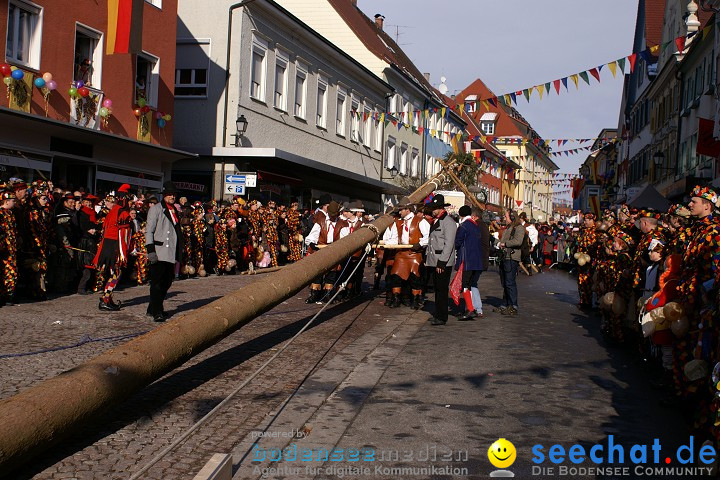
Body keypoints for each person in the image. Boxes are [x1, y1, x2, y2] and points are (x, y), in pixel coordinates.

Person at [145, 182, 181, 322]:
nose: (172, 196)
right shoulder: (156, 209)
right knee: (157, 283)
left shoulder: (174, 210)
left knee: (167, 282)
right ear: (164, 195)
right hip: (159, 251)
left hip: (170, 251)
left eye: (174, 194)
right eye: (170, 194)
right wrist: (150, 250)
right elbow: (149, 231)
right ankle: (157, 311)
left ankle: (152, 307)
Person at [93, 185, 132, 311]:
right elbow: (124, 234)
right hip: (115, 244)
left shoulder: (114, 210)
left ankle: (107, 299)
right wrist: (126, 250)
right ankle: (105, 299)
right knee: (116, 273)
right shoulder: (123, 212)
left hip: (108, 244)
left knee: (112, 272)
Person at [425, 194, 456, 326]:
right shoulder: (436, 221)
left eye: (434, 208)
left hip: (442, 262)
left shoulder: (448, 222)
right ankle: (438, 313)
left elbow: (449, 244)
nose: (432, 210)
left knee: (442, 290)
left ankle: (442, 317)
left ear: (440, 208)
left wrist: (442, 262)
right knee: (437, 289)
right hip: (434, 260)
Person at [454, 206, 489, 320]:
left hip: (467, 260)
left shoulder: (464, 226)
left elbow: (458, 242)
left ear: (461, 215)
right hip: (477, 260)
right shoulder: (475, 225)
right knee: (470, 284)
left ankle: (470, 309)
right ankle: (472, 308)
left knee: (465, 285)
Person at [497, 210, 524, 316]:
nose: (504, 218)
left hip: (512, 257)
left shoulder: (519, 228)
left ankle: (513, 305)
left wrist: (504, 244)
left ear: (512, 218)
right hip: (505, 256)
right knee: (505, 282)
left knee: (510, 282)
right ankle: (505, 304)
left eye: (506, 216)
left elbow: (518, 241)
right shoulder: (509, 228)